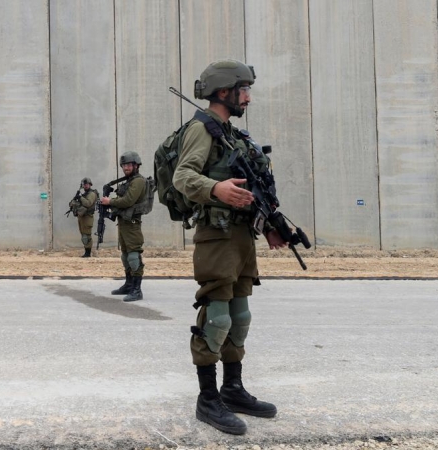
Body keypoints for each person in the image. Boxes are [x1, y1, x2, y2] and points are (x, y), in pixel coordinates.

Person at [172, 59, 288, 435]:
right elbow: (183, 176)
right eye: (244, 90)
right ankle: (208, 400)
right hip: (216, 236)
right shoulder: (201, 129)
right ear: (224, 91)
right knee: (217, 318)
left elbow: (252, 187)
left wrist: (270, 227)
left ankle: (233, 389)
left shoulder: (231, 134)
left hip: (241, 236)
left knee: (240, 318)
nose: (248, 98)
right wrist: (215, 189)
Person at [100, 152, 147, 302]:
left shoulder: (138, 181)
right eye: (124, 165)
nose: (126, 168)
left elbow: (128, 200)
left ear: (136, 165)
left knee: (133, 256)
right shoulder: (129, 181)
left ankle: (137, 290)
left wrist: (110, 202)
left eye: (128, 165)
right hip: (124, 222)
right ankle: (128, 284)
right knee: (125, 256)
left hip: (132, 224)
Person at [70, 177, 99, 257]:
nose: (85, 186)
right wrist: (75, 199)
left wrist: (80, 197)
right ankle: (86, 252)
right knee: (83, 235)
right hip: (81, 217)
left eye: (87, 184)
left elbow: (88, 203)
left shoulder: (92, 194)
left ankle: (88, 253)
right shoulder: (83, 194)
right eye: (84, 185)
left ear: (90, 184)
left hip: (87, 217)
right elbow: (72, 203)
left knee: (87, 235)